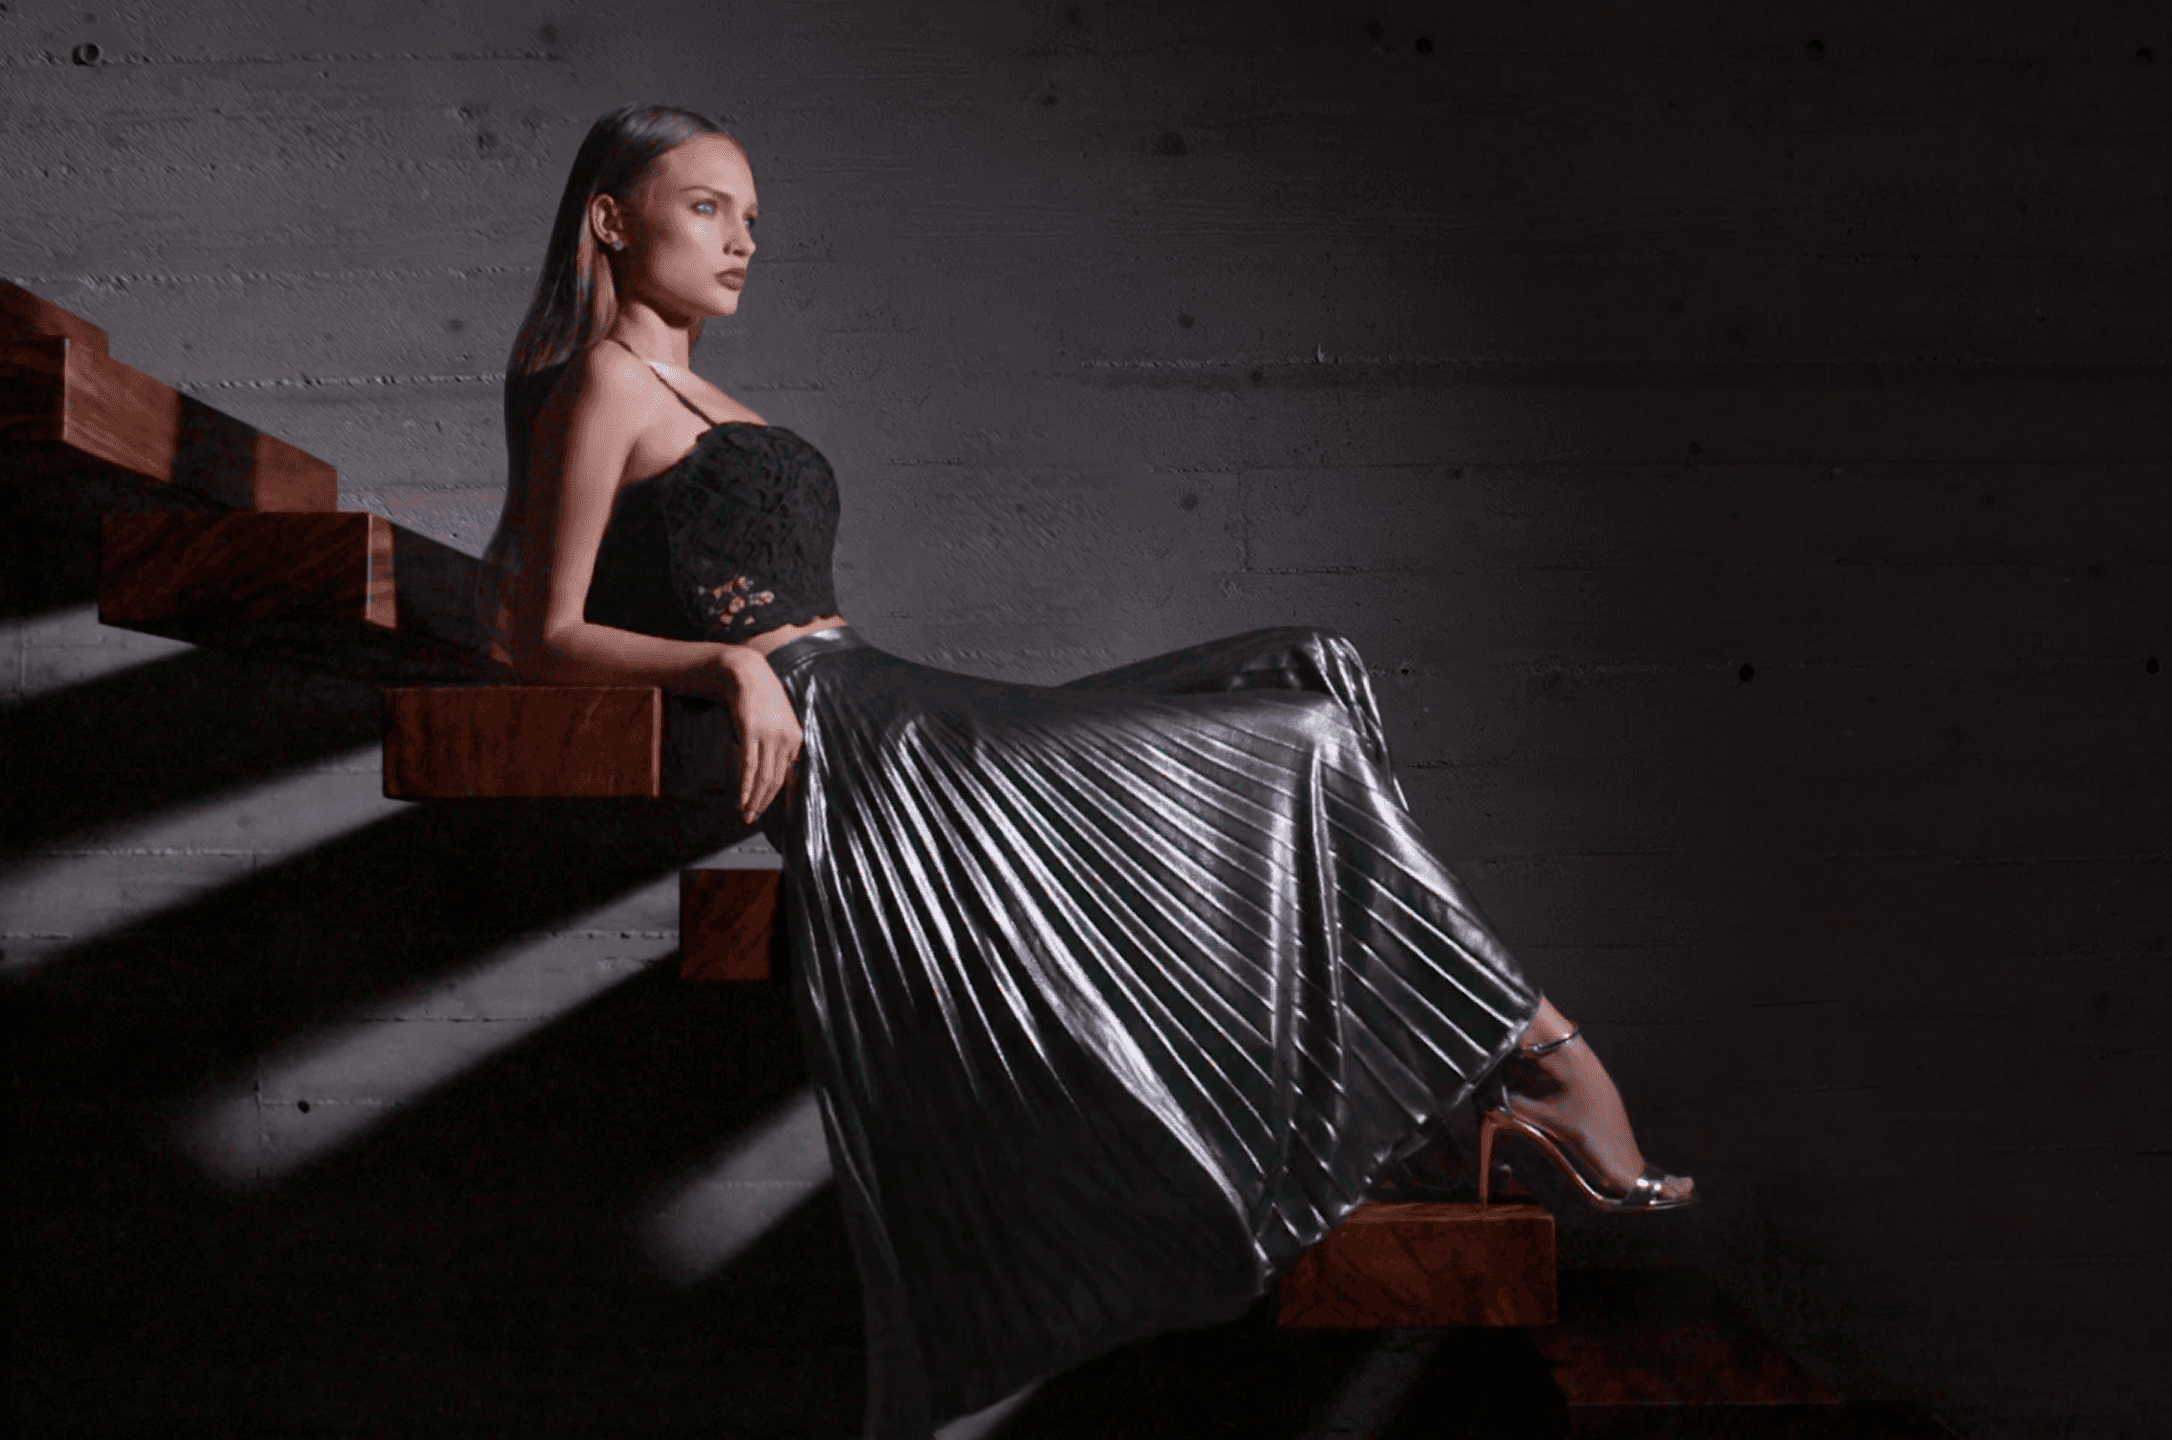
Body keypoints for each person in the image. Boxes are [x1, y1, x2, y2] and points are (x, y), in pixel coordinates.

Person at [484, 103, 1693, 1439]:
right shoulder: (605, 384)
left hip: (891, 695)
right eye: (709, 206)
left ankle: (1408, 1087)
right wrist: (724, 668)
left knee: (1310, 667)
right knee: (1301, 741)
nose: (744, 240)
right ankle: (1539, 1055)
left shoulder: (711, 398)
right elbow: (537, 634)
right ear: (612, 220)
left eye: (754, 216)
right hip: (862, 746)